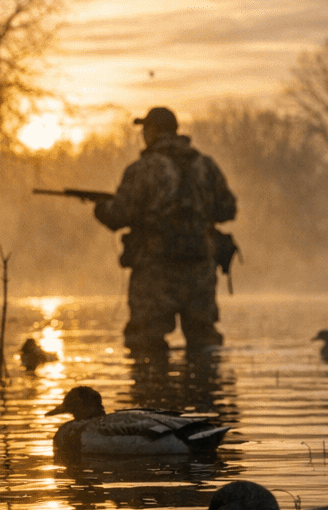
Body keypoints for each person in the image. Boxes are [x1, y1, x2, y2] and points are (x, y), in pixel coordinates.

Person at [94, 107, 236, 354]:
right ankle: (208, 390)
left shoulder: (143, 168)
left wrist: (100, 208)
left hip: (155, 273)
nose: (143, 135)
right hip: (200, 271)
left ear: (154, 131)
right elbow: (227, 209)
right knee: (205, 343)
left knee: (145, 345)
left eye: (146, 130)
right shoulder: (206, 165)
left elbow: (119, 215)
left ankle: (155, 391)